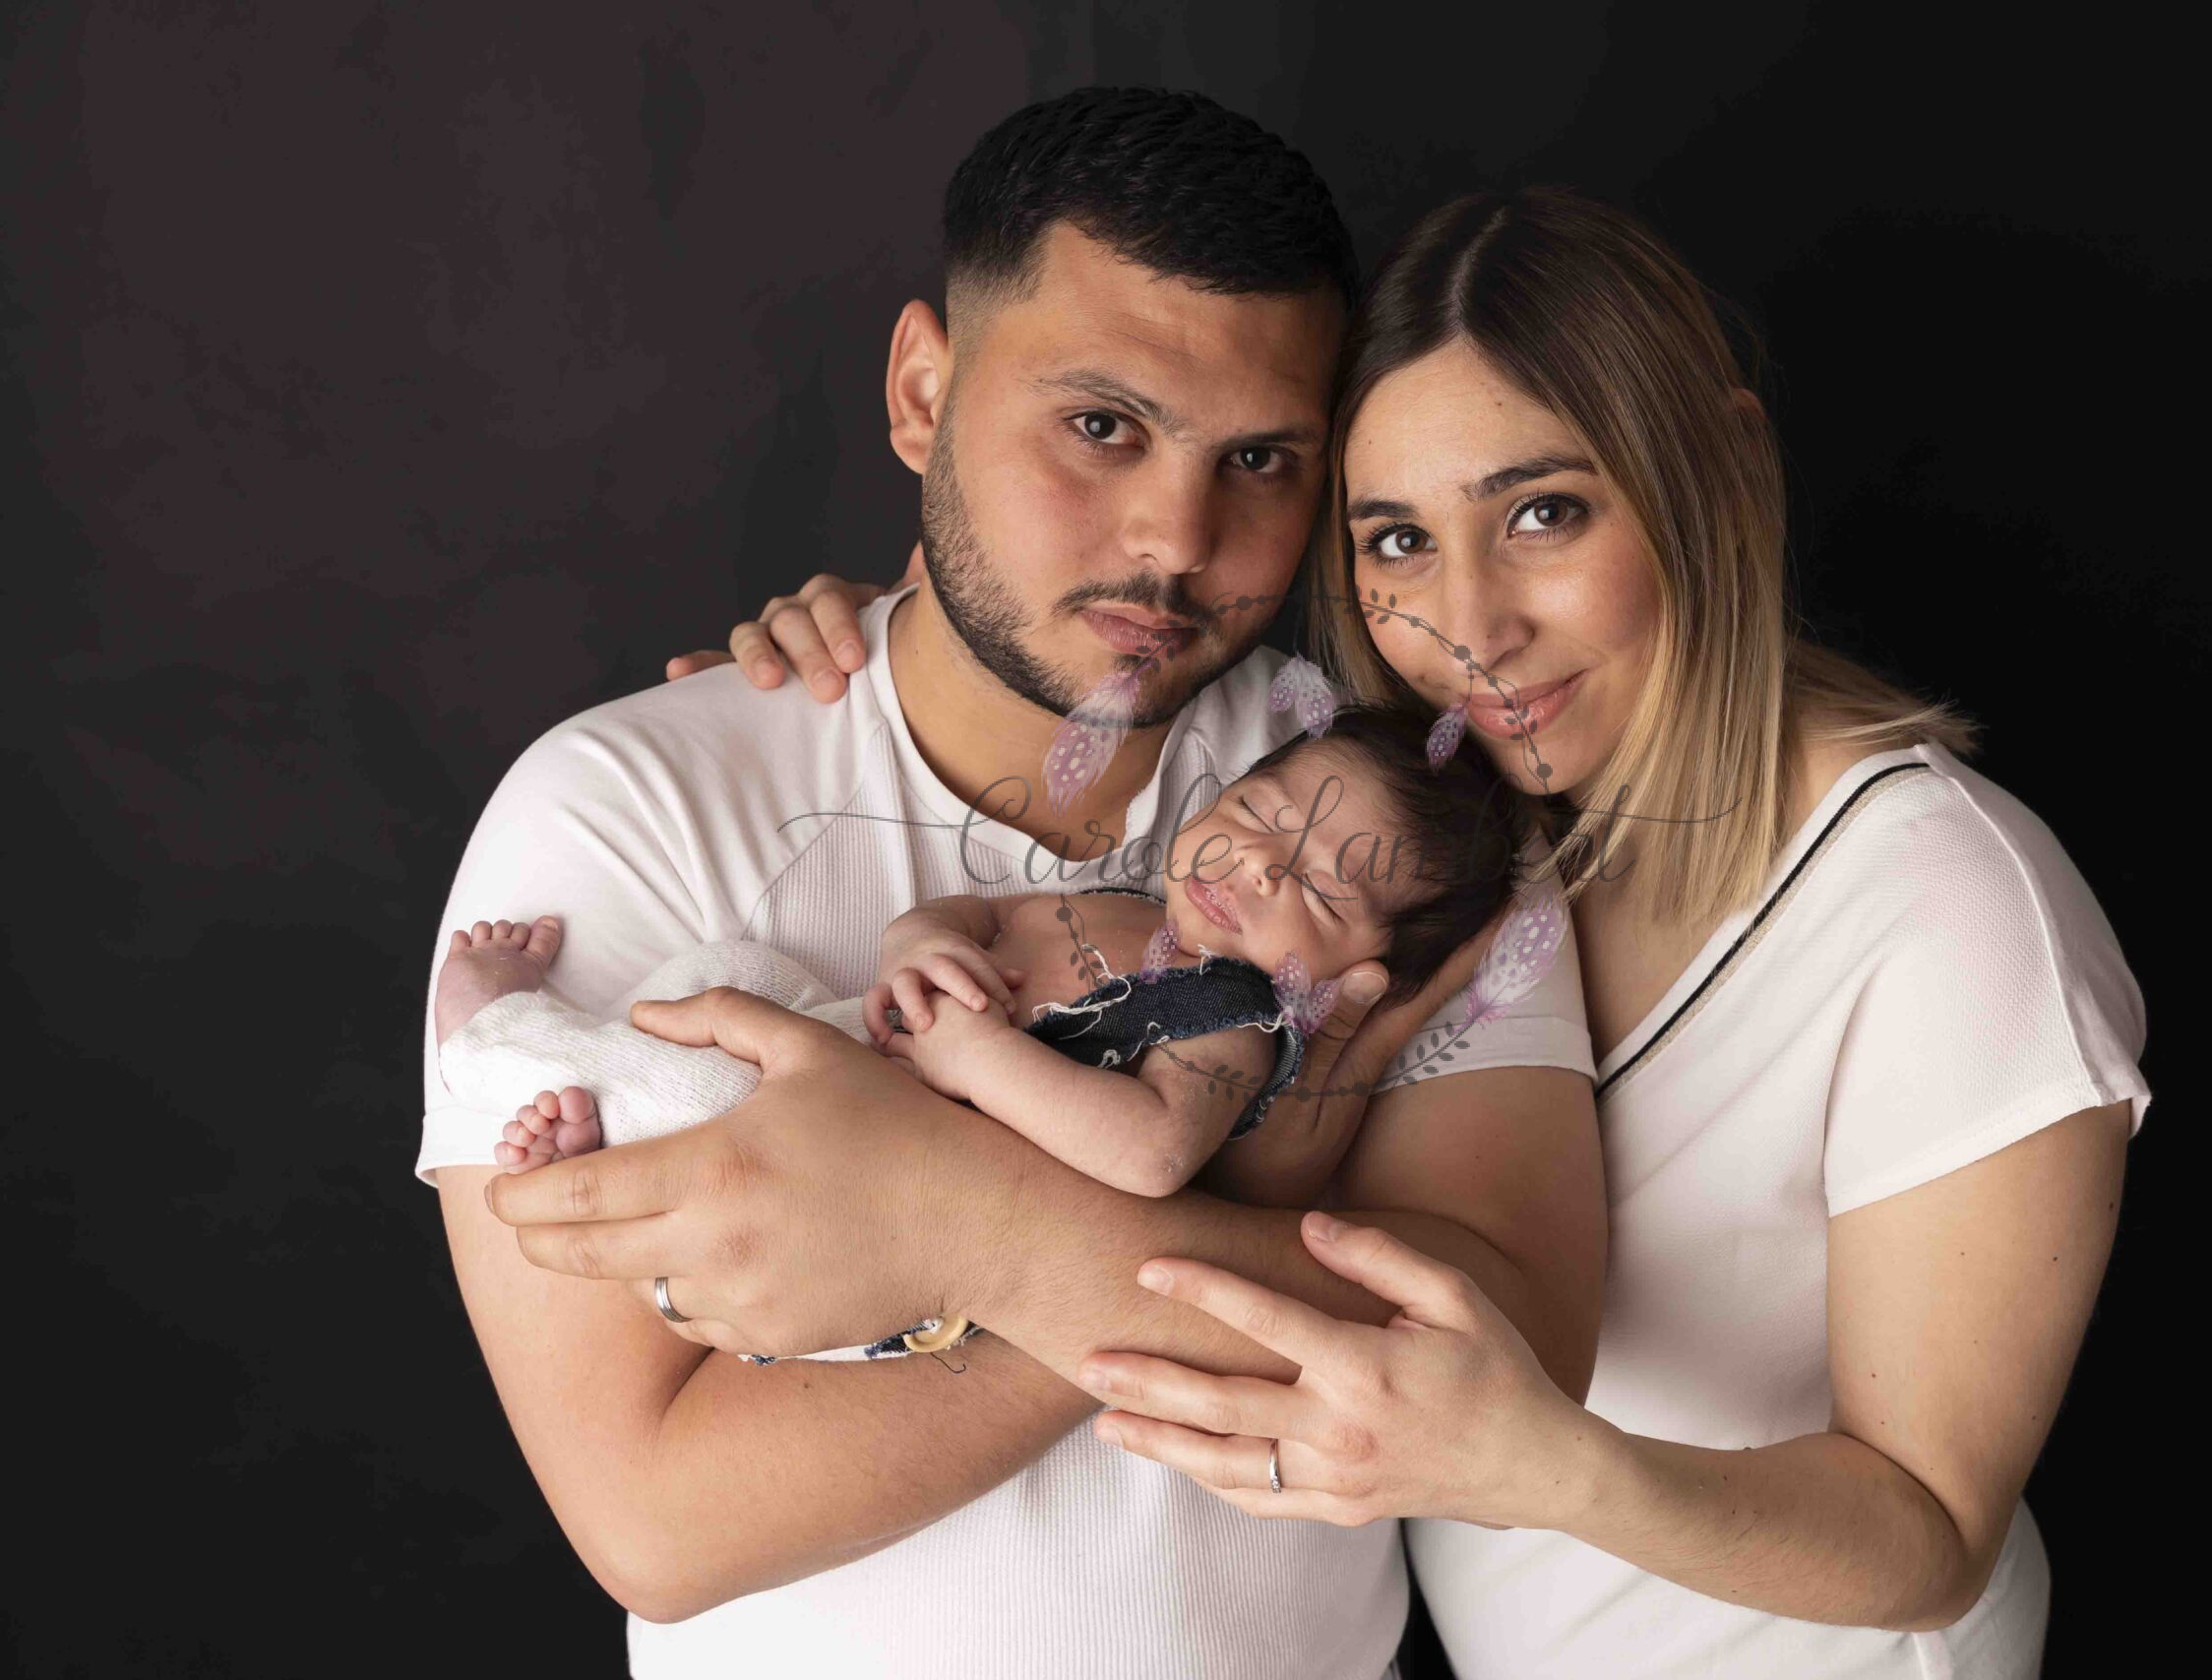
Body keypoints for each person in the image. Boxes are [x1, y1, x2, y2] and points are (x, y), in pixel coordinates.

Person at [717, 186, 2153, 1677]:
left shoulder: (1947, 905)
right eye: (1399, 539)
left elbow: (1930, 1537)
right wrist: (870, 653)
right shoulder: (1450, 834)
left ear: (1724, 465)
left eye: (1544, 513)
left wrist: (1546, 1467)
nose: (1470, 624)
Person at [422, 90, 1604, 1680]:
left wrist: (972, 1226)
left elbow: (1518, 1352)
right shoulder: (629, 802)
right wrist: (1260, 1193)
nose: (1176, 537)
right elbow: (659, 1521)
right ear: (924, 391)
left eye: (1259, 457)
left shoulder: (1400, 821)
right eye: (1102, 426)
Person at [429, 704, 1540, 1363]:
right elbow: (970, 914)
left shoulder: (1231, 1020)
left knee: (708, 1098)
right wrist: (920, 944)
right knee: (734, 978)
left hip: (871, 1230)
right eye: (1256, 814)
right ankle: (613, 1133)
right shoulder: (1117, 903)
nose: (1253, 864)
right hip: (840, 1063)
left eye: (1317, 888)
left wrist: (980, 1056)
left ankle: (495, 1031)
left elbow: (1152, 1153)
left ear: (1349, 978)